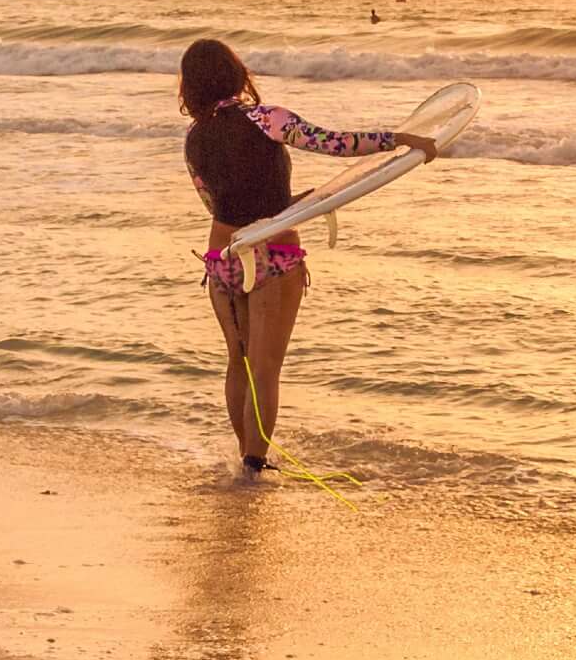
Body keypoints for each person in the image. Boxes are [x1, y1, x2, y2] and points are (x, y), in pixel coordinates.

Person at [180, 38, 434, 474]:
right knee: (265, 367)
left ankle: (247, 459)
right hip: (275, 251)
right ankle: (255, 464)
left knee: (237, 361)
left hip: (223, 255)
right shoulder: (266, 118)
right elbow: (333, 142)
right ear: (236, 73)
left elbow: (217, 202)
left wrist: (290, 200)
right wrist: (398, 139)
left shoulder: (194, 140)